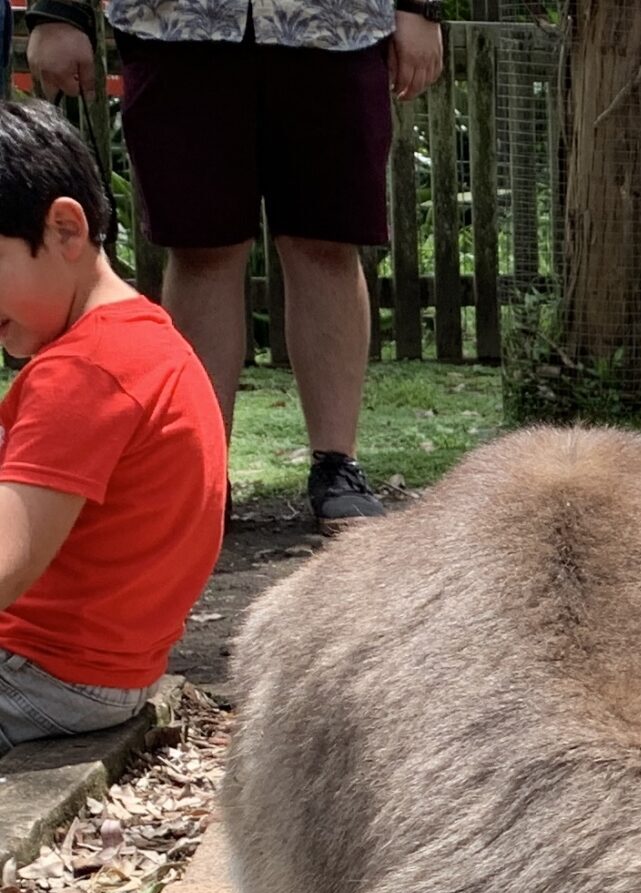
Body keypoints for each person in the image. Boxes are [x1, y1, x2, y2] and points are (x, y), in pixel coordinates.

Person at [22, 0, 444, 528]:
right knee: (201, 249)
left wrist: (419, 8)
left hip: (338, 26)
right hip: (176, 26)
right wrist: (57, 12)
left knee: (328, 243)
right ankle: (200, 473)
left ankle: (338, 464)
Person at [0, 102, 223, 749]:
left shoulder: (84, 370)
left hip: (39, 676)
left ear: (66, 230)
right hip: (100, 675)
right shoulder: (145, 343)